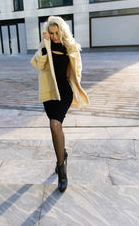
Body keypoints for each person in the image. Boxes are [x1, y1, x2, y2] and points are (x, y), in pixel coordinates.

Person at [30, 16, 90, 192]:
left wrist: (74, 84)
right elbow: (38, 65)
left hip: (64, 92)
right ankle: (62, 154)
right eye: (51, 33)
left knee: (55, 124)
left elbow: (77, 70)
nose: (55, 36)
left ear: (62, 31)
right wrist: (44, 45)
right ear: (47, 33)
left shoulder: (70, 47)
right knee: (54, 126)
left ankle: (61, 169)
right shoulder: (45, 46)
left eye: (57, 33)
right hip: (50, 93)